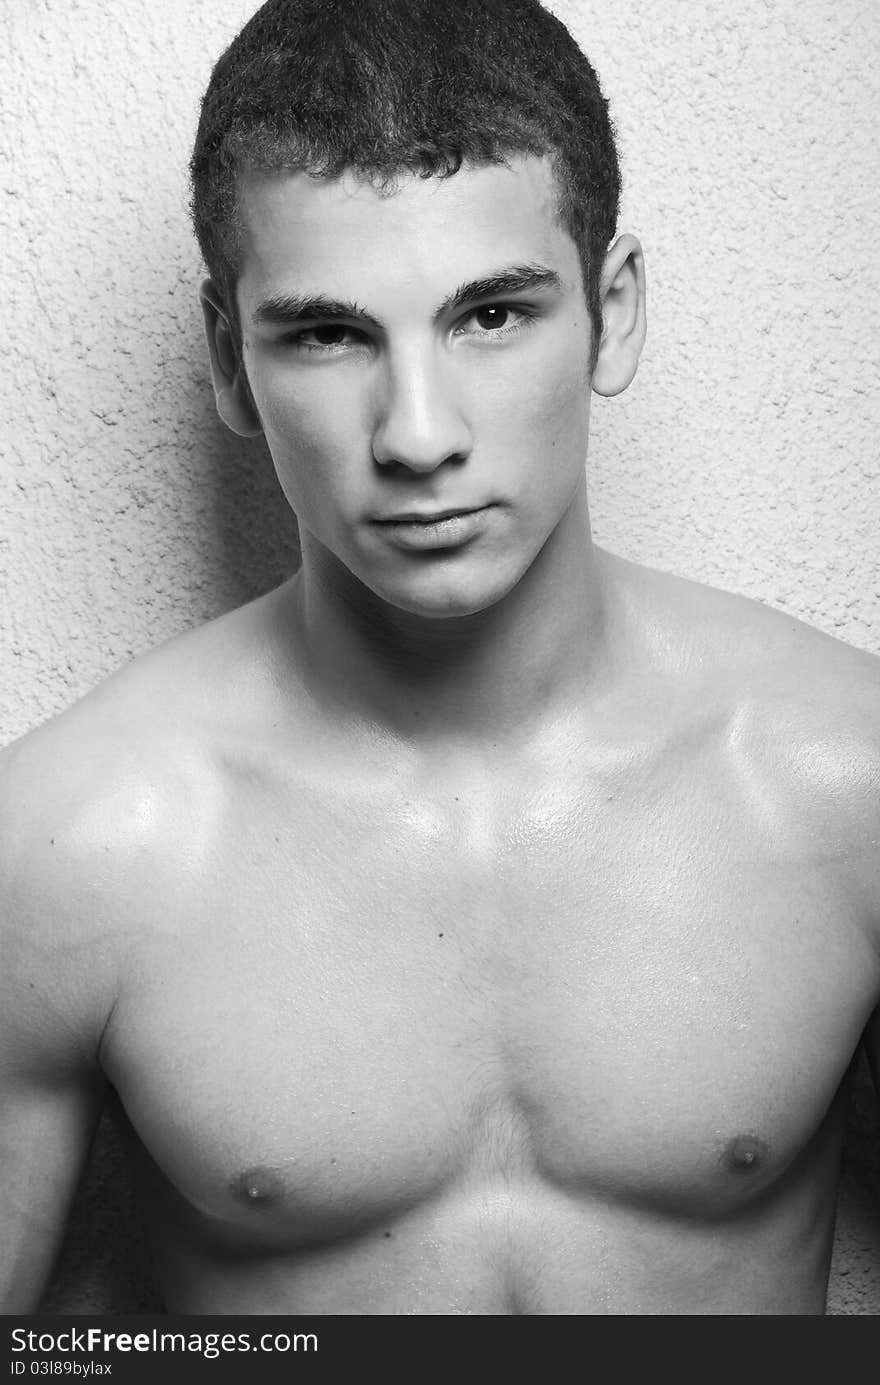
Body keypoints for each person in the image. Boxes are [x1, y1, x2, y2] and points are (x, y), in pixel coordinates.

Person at [1, 0, 878, 1317]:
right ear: (228, 362)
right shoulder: (67, 843)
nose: (417, 433)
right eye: (326, 333)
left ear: (614, 308)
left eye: (490, 316)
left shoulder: (846, 785)